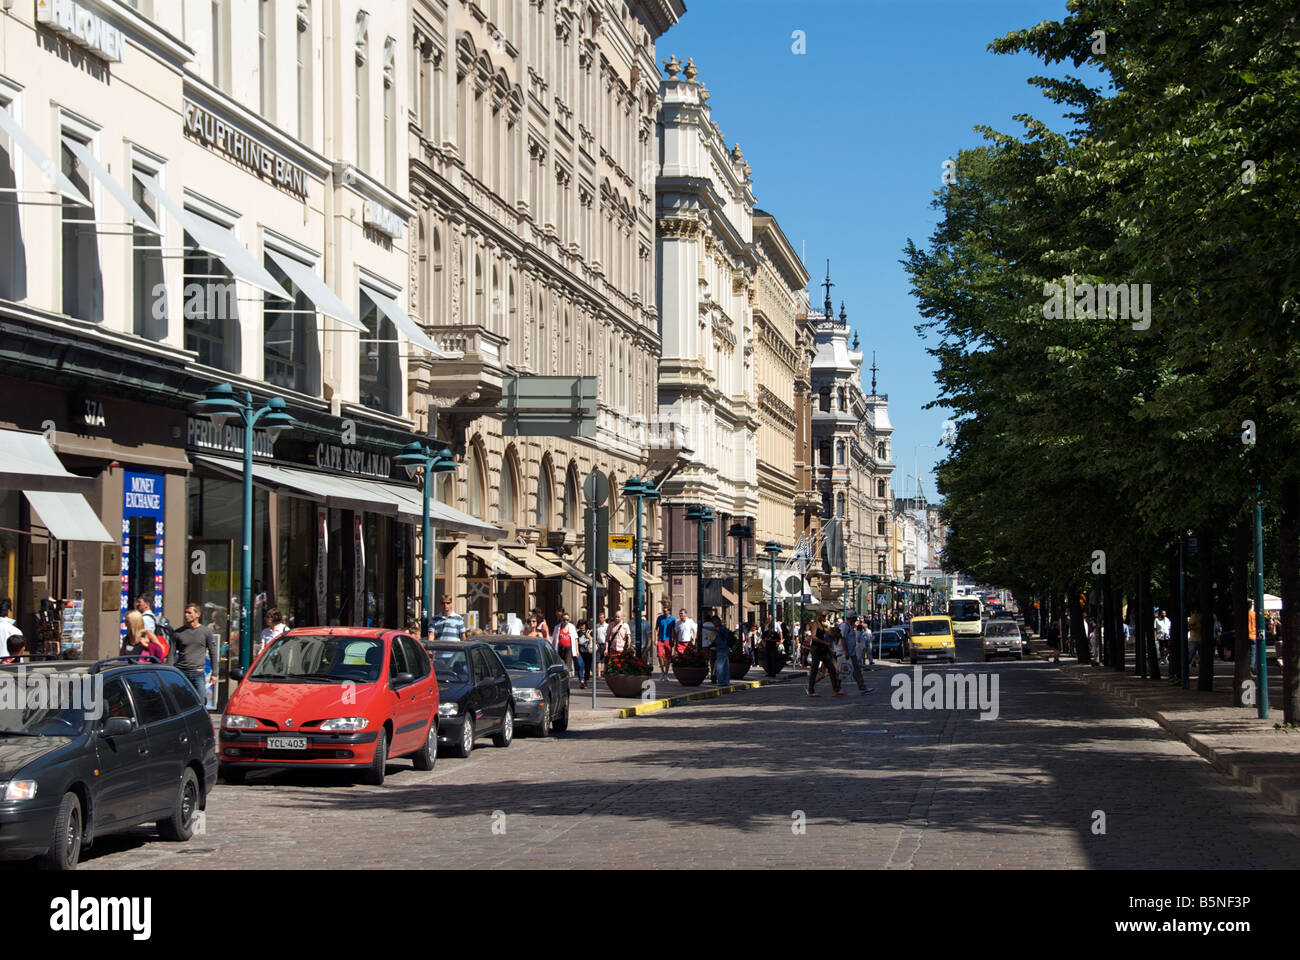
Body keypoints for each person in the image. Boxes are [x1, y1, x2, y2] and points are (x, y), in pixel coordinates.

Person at [173, 602, 220, 699]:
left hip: (197, 673)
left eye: (189, 613)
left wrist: (215, 673)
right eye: (185, 613)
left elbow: (213, 653)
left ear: (198, 614)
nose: (186, 615)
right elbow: (171, 654)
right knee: (182, 701)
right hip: (181, 672)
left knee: (201, 700)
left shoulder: (206, 632)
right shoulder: (178, 633)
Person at [807, 612, 843, 697]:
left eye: (825, 616)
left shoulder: (822, 625)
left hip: (823, 650)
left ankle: (835, 689)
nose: (824, 617)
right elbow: (814, 637)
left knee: (832, 669)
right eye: (823, 616)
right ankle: (811, 690)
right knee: (814, 670)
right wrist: (824, 642)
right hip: (816, 649)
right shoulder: (815, 625)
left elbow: (827, 634)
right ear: (818, 616)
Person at [655, 604, 677, 683]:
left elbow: (674, 630)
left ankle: (666, 674)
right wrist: (655, 639)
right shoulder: (660, 618)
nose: (665, 612)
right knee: (660, 655)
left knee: (668, 657)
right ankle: (662, 671)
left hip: (668, 640)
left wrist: (674, 640)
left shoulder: (672, 619)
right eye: (664, 611)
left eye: (666, 611)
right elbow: (656, 629)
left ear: (669, 611)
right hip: (660, 639)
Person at [554, 609, 577, 680]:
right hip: (560, 647)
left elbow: (575, 639)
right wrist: (553, 649)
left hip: (569, 648)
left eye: (567, 620)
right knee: (560, 663)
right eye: (564, 619)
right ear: (562, 619)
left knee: (568, 663)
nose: (565, 621)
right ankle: (561, 677)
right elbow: (554, 639)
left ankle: (566, 677)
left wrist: (577, 650)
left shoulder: (572, 627)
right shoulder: (557, 627)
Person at [700, 611, 718, 680]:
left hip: (704, 644)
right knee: (712, 659)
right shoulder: (713, 626)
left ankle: (706, 671)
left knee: (706, 658)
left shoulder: (702, 626)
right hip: (712, 644)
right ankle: (712, 671)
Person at [576, 618, 593, 689]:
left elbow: (595, 641)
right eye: (580, 625)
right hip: (580, 652)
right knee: (580, 665)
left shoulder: (590, 632)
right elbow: (576, 642)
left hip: (588, 653)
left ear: (585, 625)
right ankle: (581, 681)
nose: (581, 626)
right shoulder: (577, 633)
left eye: (583, 625)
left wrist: (590, 637)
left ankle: (586, 680)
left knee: (587, 667)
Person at [593, 612, 608, 678]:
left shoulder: (607, 626)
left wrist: (607, 647)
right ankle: (599, 674)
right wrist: (596, 642)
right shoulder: (596, 626)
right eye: (599, 618)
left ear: (604, 618)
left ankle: (605, 673)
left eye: (602, 618)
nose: (600, 619)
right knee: (598, 660)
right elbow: (595, 635)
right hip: (599, 644)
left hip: (605, 644)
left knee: (605, 660)